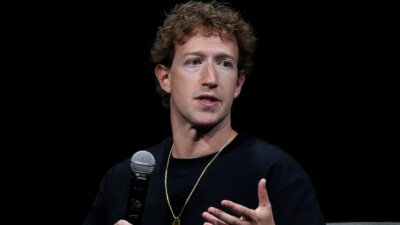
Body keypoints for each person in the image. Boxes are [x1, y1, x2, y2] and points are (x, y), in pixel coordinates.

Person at [83, 1, 325, 225]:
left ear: (238, 84)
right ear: (165, 77)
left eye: (225, 63)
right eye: (194, 61)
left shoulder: (276, 174)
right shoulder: (123, 180)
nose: (211, 79)